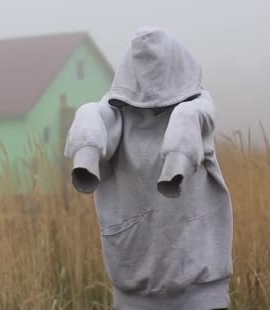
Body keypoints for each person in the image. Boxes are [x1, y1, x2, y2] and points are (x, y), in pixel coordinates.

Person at [64, 26, 233, 310]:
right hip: (134, 290)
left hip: (200, 292)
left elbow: (191, 121)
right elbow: (94, 119)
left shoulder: (195, 110)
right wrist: (86, 153)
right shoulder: (108, 115)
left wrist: (178, 160)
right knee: (88, 112)